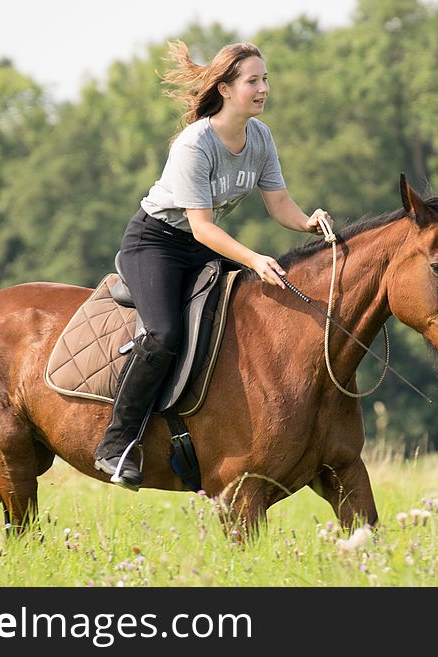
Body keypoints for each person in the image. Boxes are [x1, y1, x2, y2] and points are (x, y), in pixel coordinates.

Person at [94, 41, 333, 490]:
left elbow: (279, 203)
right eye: (253, 81)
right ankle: (116, 442)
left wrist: (307, 222)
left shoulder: (260, 137)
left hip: (201, 246)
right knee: (164, 334)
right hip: (157, 243)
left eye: (265, 80)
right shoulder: (195, 144)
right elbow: (201, 227)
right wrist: (254, 258)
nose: (263, 89)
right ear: (225, 89)